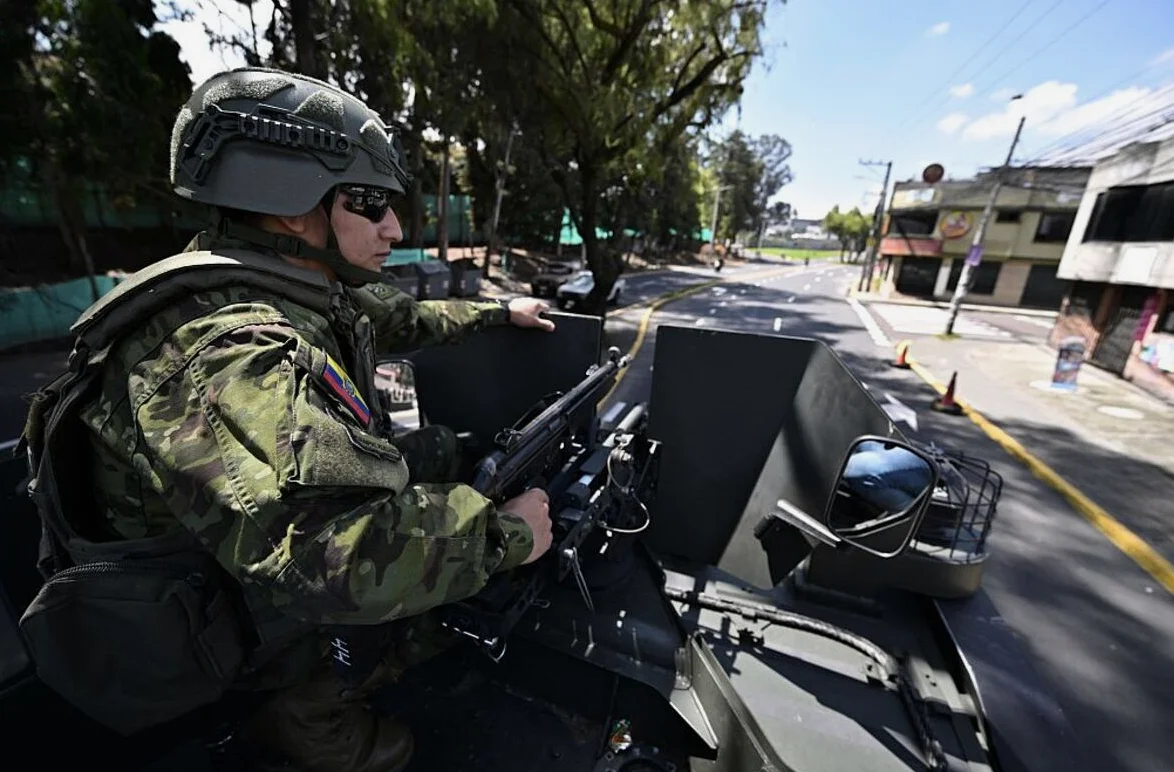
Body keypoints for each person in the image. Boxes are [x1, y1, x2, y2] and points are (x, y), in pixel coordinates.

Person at [47, 67, 559, 771]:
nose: (394, 228)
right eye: (371, 203)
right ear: (291, 208)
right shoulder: (229, 352)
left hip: (230, 565)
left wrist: (503, 311)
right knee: (402, 735)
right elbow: (332, 562)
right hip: (214, 627)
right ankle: (293, 712)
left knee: (437, 452)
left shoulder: (282, 278)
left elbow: (403, 316)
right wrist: (506, 536)